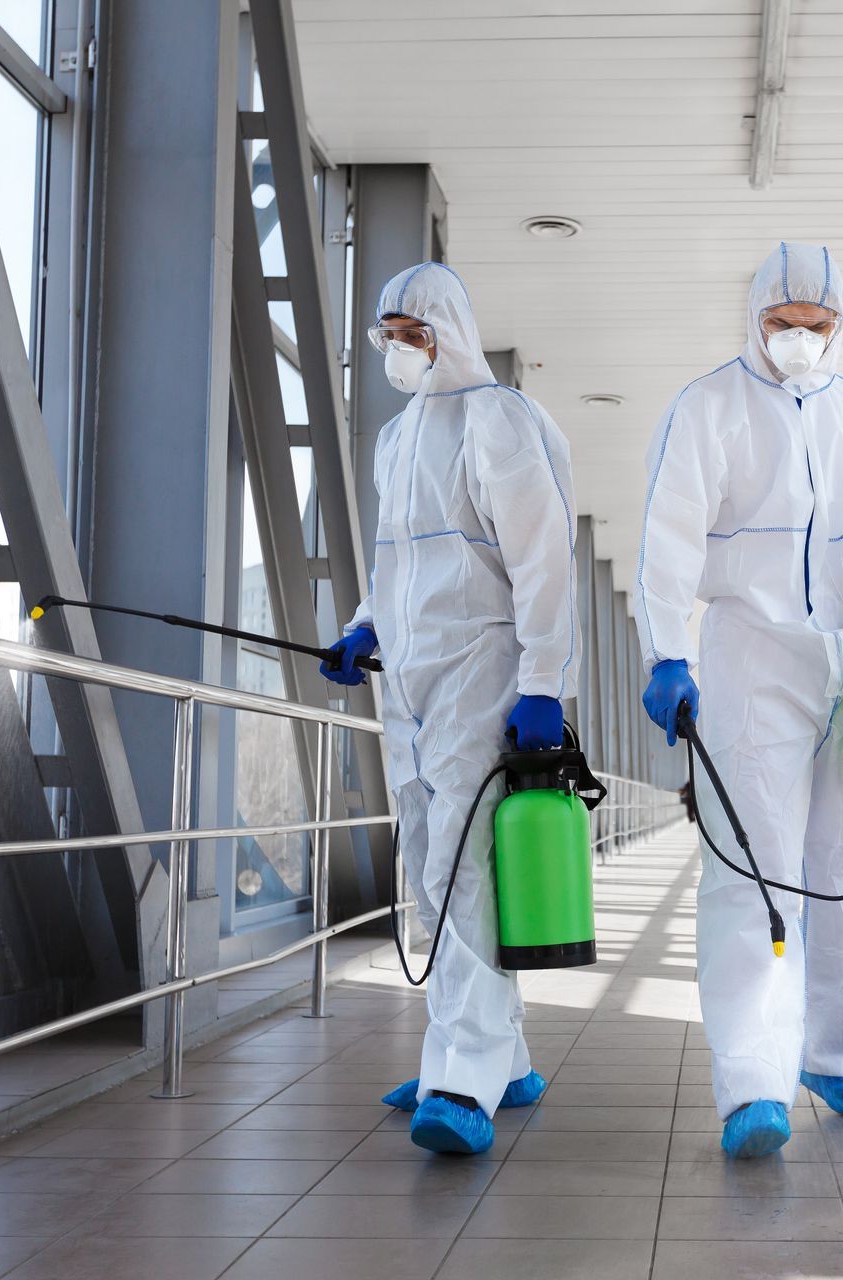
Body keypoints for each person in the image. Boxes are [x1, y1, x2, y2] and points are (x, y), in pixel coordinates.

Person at [635, 242, 843, 1157]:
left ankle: (832, 1052)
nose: (800, 340)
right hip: (750, 657)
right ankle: (756, 1081)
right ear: (755, 318)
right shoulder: (710, 406)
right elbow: (669, 542)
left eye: (817, 326)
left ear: (839, 325)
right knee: (755, 871)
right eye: (782, 324)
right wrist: (666, 652)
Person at [319, 262, 577, 1154]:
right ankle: (498, 1059)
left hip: (482, 662)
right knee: (431, 860)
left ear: (449, 333)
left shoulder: (496, 419)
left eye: (412, 333)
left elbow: (544, 561)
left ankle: (461, 1076)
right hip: (412, 674)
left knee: (465, 867)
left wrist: (543, 681)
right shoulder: (398, 437)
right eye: (387, 333)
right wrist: (362, 626)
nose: (398, 349)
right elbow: (396, 559)